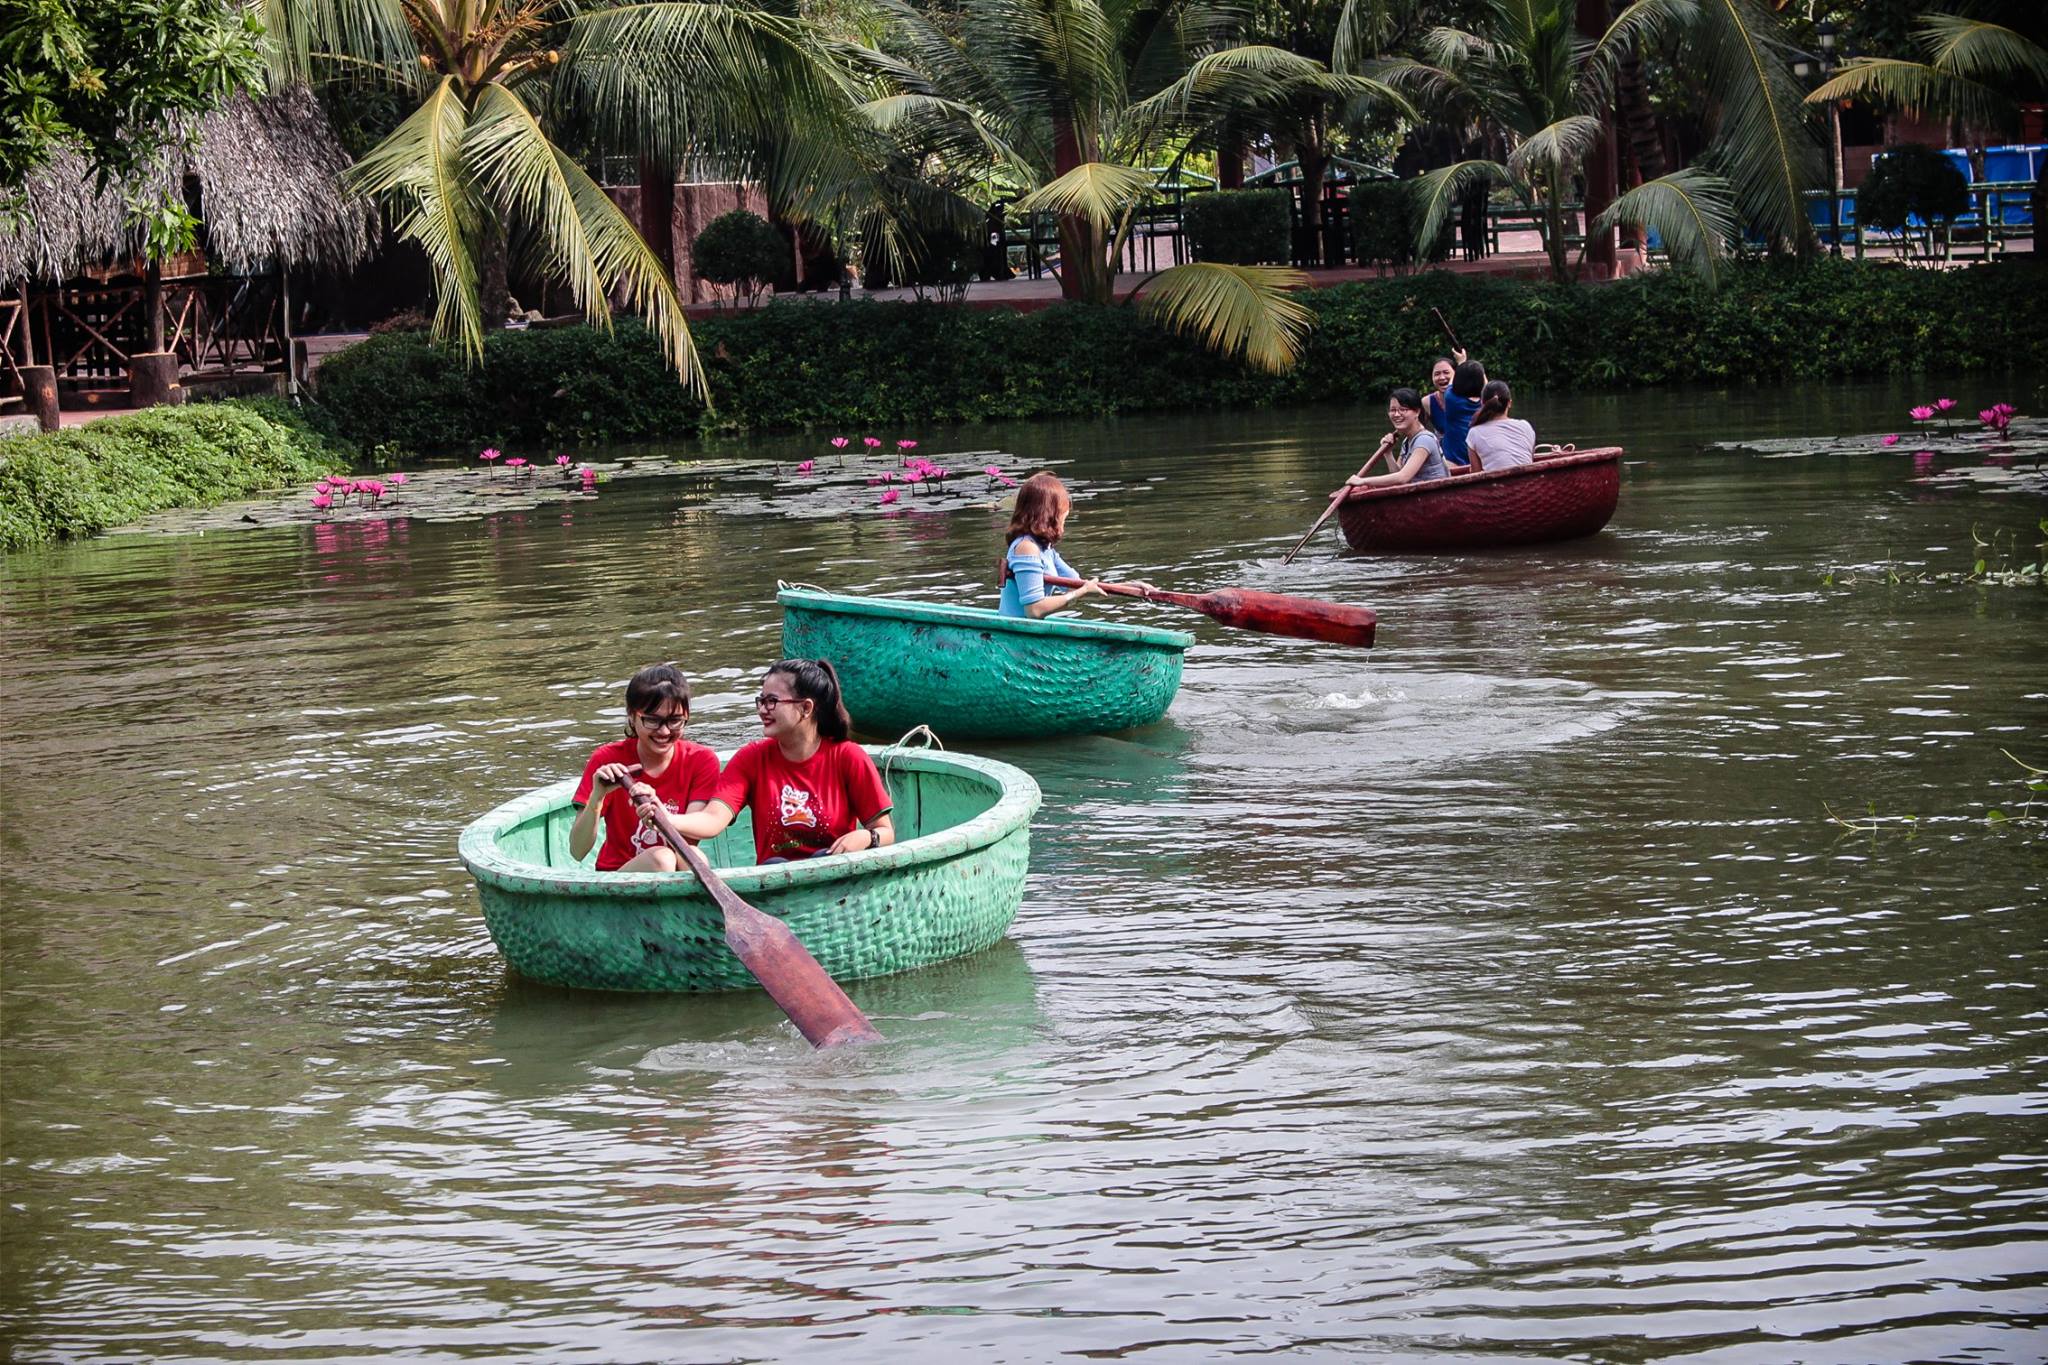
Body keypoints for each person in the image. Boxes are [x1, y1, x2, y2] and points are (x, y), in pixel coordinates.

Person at [657, 659, 896, 864]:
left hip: (834, 877)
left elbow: (885, 832)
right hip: (775, 877)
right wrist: (664, 817)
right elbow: (713, 820)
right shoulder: (752, 758)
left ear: (806, 708)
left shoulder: (847, 757)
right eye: (760, 701)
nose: (762, 710)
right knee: (776, 863)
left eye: (771, 701)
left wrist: (866, 837)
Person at [570, 663, 720, 872]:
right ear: (632, 716)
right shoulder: (608, 759)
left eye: (675, 721)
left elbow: (691, 835)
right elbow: (577, 850)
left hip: (679, 867)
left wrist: (662, 815)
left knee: (694, 856)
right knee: (662, 859)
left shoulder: (701, 760)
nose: (665, 731)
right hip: (618, 877)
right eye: (652, 720)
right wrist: (597, 797)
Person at [996, 472, 1152, 618]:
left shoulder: (1045, 549)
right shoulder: (1026, 547)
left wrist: (1132, 588)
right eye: (1063, 513)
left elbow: (1080, 586)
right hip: (1015, 633)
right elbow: (1034, 609)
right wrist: (1080, 593)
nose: (1065, 517)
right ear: (1049, 514)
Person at [1348, 388, 1448, 490]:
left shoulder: (1424, 440)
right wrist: (1388, 453)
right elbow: (1397, 475)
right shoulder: (1407, 440)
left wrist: (1363, 481)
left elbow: (1403, 477)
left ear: (1417, 412)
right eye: (1393, 410)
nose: (1396, 414)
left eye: (1403, 410)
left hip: (1435, 494)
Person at [1465, 379, 1537, 471]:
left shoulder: (1474, 433)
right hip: (1528, 484)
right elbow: (1529, 460)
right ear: (1509, 403)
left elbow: (1476, 474)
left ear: (1482, 403)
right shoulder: (1526, 426)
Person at [1438, 351, 1485, 472]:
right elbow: (1487, 385)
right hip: (1479, 460)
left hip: (1453, 462)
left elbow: (1452, 382)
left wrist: (1461, 362)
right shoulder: (1486, 403)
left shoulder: (1451, 399)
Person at [1422, 356, 1455, 435]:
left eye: (1446, 372)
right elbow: (1415, 429)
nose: (1442, 377)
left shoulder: (1467, 397)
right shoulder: (1427, 402)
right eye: (1437, 374)